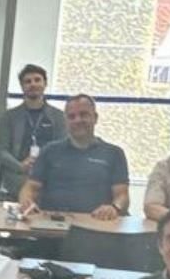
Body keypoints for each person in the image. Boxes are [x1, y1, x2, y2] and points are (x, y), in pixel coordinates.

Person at [18, 93, 130, 221]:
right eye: (71, 116)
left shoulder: (114, 153)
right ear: (66, 121)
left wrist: (114, 208)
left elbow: (122, 195)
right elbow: (30, 187)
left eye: (83, 115)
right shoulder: (49, 151)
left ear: (95, 118)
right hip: (51, 227)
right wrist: (26, 202)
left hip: (98, 227)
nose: (77, 120)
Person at [0, 62, 66, 198]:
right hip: (18, 175)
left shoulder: (59, 117)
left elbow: (64, 149)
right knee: (28, 192)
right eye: (28, 81)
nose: (33, 84)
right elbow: (1, 151)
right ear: (22, 86)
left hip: (49, 175)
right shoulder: (9, 117)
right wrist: (21, 166)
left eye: (37, 80)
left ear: (45, 84)